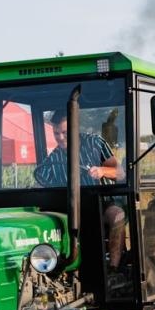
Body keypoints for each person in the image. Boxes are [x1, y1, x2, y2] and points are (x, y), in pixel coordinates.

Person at [34, 111, 126, 266]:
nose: (60, 138)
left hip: (100, 203)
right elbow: (42, 182)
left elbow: (120, 173)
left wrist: (102, 171)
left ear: (75, 128)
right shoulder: (53, 158)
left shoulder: (95, 143)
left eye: (64, 132)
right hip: (69, 207)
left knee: (117, 215)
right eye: (56, 133)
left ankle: (114, 268)